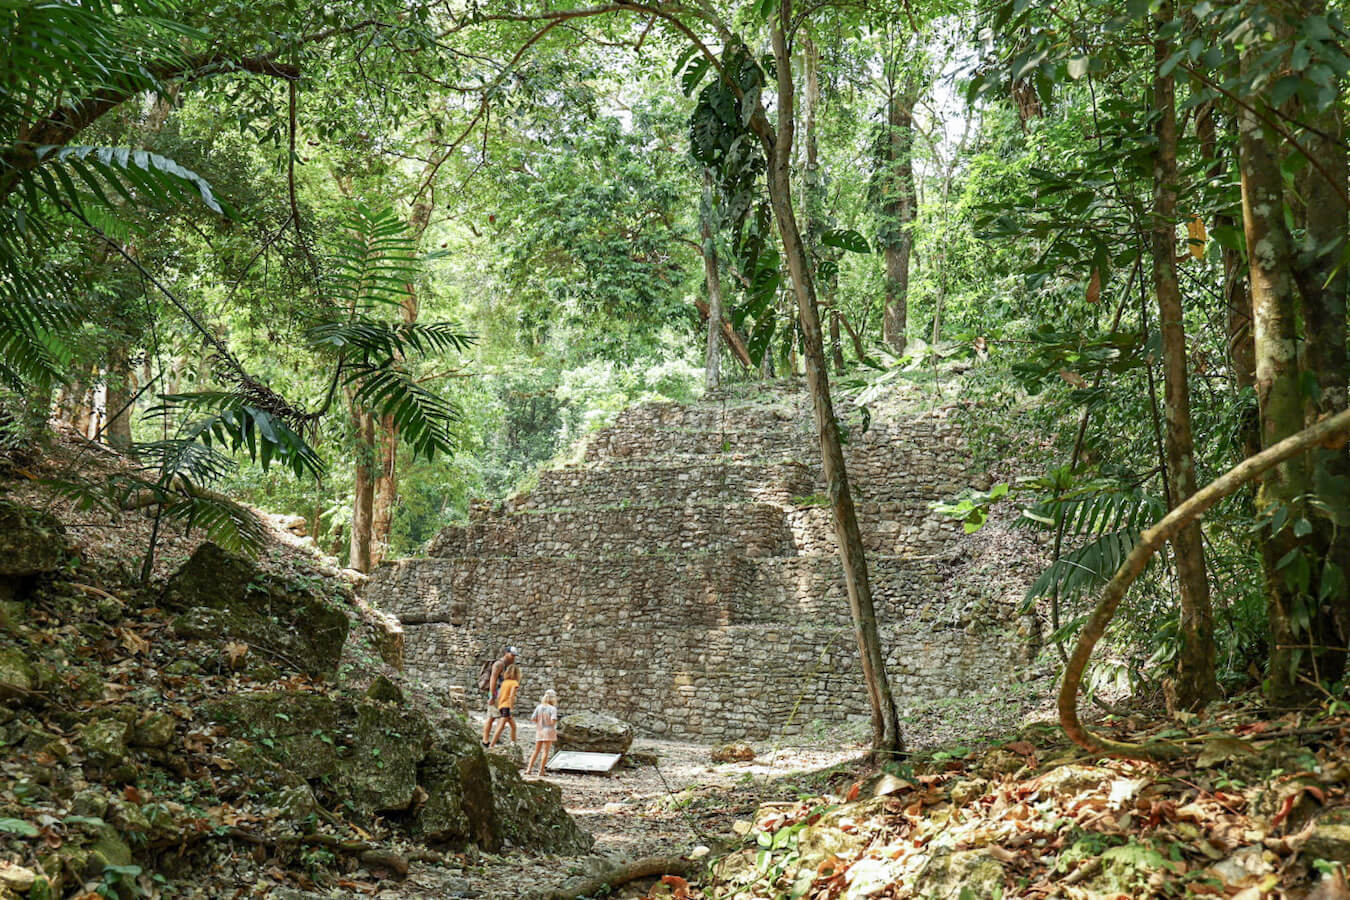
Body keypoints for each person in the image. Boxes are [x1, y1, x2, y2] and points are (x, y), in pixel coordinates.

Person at [480, 646, 518, 746]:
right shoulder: (498, 664)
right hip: (496, 694)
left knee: (501, 718)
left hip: (502, 695)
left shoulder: (509, 664)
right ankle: (486, 741)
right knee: (492, 717)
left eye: (514, 656)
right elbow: (493, 680)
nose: (513, 657)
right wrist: (492, 696)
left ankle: (492, 741)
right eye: (512, 655)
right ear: (506, 653)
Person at [488, 663, 521, 747]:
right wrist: (511, 707)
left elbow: (499, 695)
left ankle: (513, 742)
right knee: (501, 727)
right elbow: (511, 696)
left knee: (513, 726)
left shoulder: (504, 683)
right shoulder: (514, 683)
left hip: (501, 705)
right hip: (507, 706)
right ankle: (492, 745)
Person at [527, 689, 559, 776]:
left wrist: (539, 722)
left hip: (539, 730)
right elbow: (553, 720)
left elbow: (533, 718)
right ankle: (541, 771)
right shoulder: (553, 709)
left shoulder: (539, 707)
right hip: (548, 730)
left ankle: (529, 769)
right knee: (545, 751)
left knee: (536, 750)